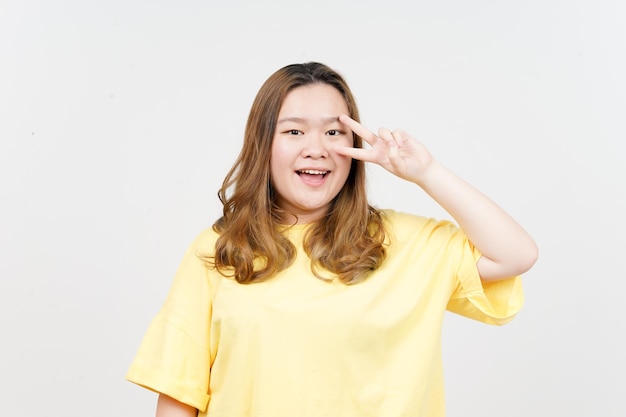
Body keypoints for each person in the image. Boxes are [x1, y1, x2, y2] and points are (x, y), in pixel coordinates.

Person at [126, 62, 538, 417]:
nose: (316, 149)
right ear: (262, 144)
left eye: (334, 133)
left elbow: (516, 254)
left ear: (354, 145)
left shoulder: (407, 242)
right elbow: (179, 397)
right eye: (293, 132)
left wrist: (427, 173)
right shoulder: (221, 249)